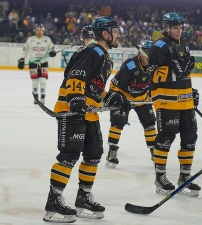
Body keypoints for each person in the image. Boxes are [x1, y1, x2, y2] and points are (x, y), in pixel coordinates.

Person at [43, 17, 128, 223]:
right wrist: (75, 100)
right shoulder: (92, 50)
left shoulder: (105, 56)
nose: (119, 34)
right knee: (70, 154)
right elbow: (75, 75)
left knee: (94, 153)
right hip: (71, 110)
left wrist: (113, 98)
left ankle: (83, 198)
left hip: (89, 112)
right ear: (105, 34)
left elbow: (95, 87)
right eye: (115, 31)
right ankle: (53, 202)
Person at [147, 12, 200, 197]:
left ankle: (184, 177)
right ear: (167, 28)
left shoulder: (183, 45)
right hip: (167, 99)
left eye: (181, 28)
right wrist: (175, 72)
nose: (179, 31)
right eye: (176, 28)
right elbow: (153, 76)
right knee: (166, 138)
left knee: (190, 137)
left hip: (185, 100)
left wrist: (191, 91)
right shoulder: (159, 46)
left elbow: (184, 73)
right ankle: (160, 176)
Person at [105, 36, 156, 169]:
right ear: (141, 53)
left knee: (150, 124)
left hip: (142, 98)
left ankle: (154, 152)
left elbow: (156, 84)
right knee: (117, 123)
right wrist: (117, 99)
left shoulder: (156, 66)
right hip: (124, 96)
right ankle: (112, 151)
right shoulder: (130, 65)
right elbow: (115, 85)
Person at [18, 23, 56, 105]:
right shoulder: (30, 39)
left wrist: (52, 52)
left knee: (43, 80)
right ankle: (35, 97)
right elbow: (25, 51)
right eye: (38, 30)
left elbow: (51, 49)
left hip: (44, 62)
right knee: (34, 80)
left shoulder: (47, 39)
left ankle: (42, 97)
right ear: (35, 31)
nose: (39, 32)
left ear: (43, 31)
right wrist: (21, 59)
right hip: (33, 62)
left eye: (41, 31)